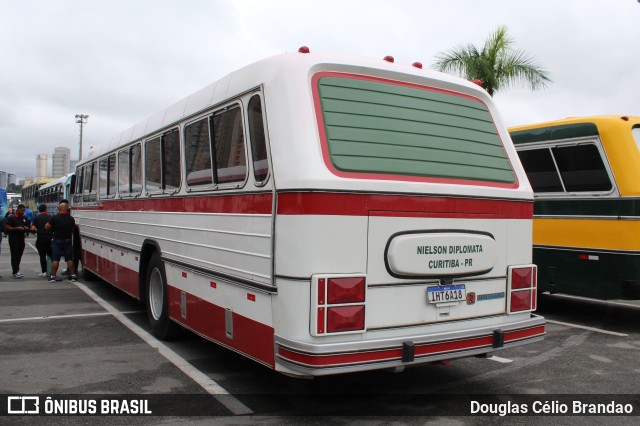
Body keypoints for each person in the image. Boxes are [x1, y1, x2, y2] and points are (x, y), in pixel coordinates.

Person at [46, 201, 77, 282]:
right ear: (67, 209)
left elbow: (47, 227)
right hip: (67, 240)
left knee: (55, 259)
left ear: (59, 208)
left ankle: (53, 277)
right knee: (69, 259)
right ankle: (73, 276)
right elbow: (73, 228)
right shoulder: (71, 219)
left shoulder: (54, 217)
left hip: (57, 240)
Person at [5, 204, 31, 278]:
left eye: (24, 210)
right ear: (18, 209)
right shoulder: (11, 217)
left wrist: (26, 228)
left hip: (21, 239)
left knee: (19, 255)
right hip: (13, 239)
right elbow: (7, 228)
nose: (23, 212)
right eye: (22, 210)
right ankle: (15, 271)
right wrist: (16, 228)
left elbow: (26, 226)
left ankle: (17, 270)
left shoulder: (24, 217)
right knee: (14, 255)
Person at [31, 204, 53, 278]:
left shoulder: (37, 217)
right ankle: (51, 271)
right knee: (51, 256)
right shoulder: (50, 217)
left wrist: (36, 231)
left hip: (40, 239)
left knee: (42, 256)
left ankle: (44, 271)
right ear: (46, 209)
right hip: (49, 239)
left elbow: (32, 228)